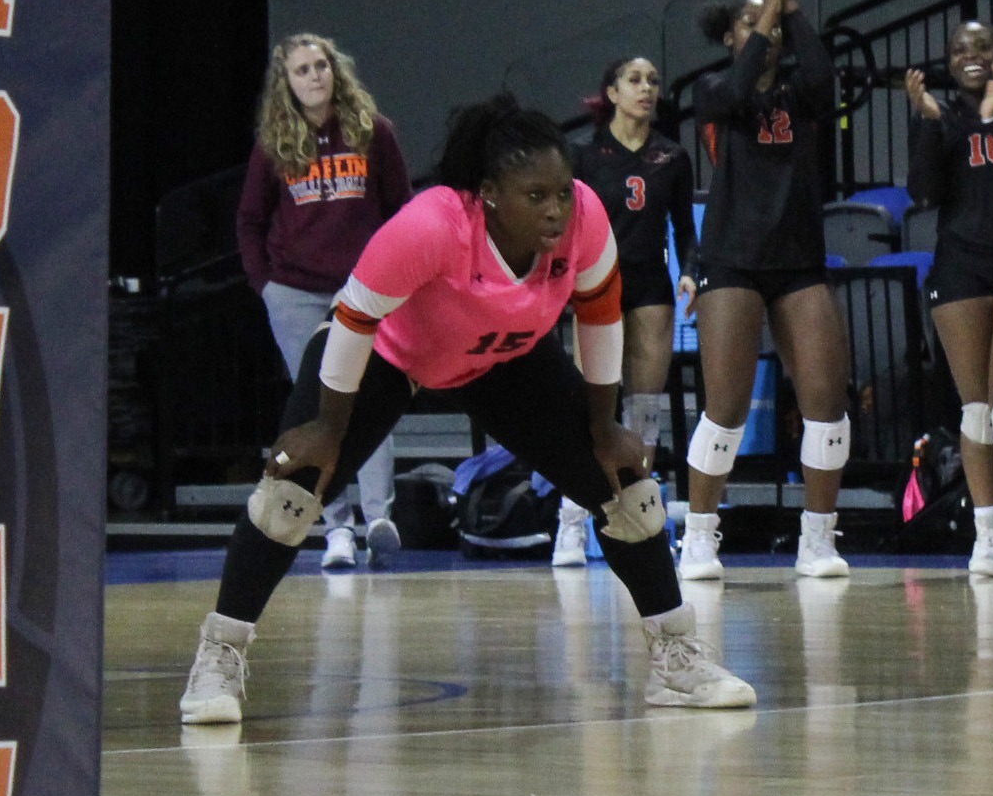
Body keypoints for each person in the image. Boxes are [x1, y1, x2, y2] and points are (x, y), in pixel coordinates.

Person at [181, 95, 756, 724]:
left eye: (562, 192)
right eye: (535, 196)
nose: (556, 209)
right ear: (488, 195)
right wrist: (326, 429)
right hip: (388, 353)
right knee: (291, 491)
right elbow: (353, 318)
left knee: (625, 487)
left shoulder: (586, 219)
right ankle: (219, 657)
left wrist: (604, 427)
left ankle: (676, 659)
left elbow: (599, 313)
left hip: (501, 358)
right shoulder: (432, 226)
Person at [677, 0, 853, 581]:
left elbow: (825, 77)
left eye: (772, 23)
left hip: (798, 259)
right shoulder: (714, 90)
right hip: (733, 258)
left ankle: (818, 540)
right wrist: (768, 6)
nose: (768, 30)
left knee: (826, 405)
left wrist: (793, 8)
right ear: (730, 37)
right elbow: (730, 93)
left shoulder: (802, 95)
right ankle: (698, 537)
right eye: (752, 23)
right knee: (724, 406)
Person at [236, 33, 410, 570]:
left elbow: (401, 210)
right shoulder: (274, 144)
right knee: (315, 406)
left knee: (367, 397)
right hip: (293, 292)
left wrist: (397, 278)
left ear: (336, 71)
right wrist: (266, 287)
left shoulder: (372, 132)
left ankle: (380, 517)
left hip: (360, 289)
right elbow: (250, 220)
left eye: (321, 66)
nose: (314, 76)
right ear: (285, 83)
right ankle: (336, 527)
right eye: (302, 70)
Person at [903, 20, 993, 577]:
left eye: (982, 47)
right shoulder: (942, 118)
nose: (970, 56)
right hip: (960, 265)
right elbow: (924, 192)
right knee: (977, 409)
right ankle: (986, 533)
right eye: (959, 49)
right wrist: (925, 124)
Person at [555, 56, 698, 567]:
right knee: (591, 403)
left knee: (644, 405)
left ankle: (637, 517)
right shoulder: (585, 157)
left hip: (651, 286)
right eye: (634, 80)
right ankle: (571, 522)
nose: (646, 89)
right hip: (596, 284)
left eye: (653, 81)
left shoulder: (671, 157)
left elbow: (684, 226)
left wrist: (691, 270)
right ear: (611, 92)